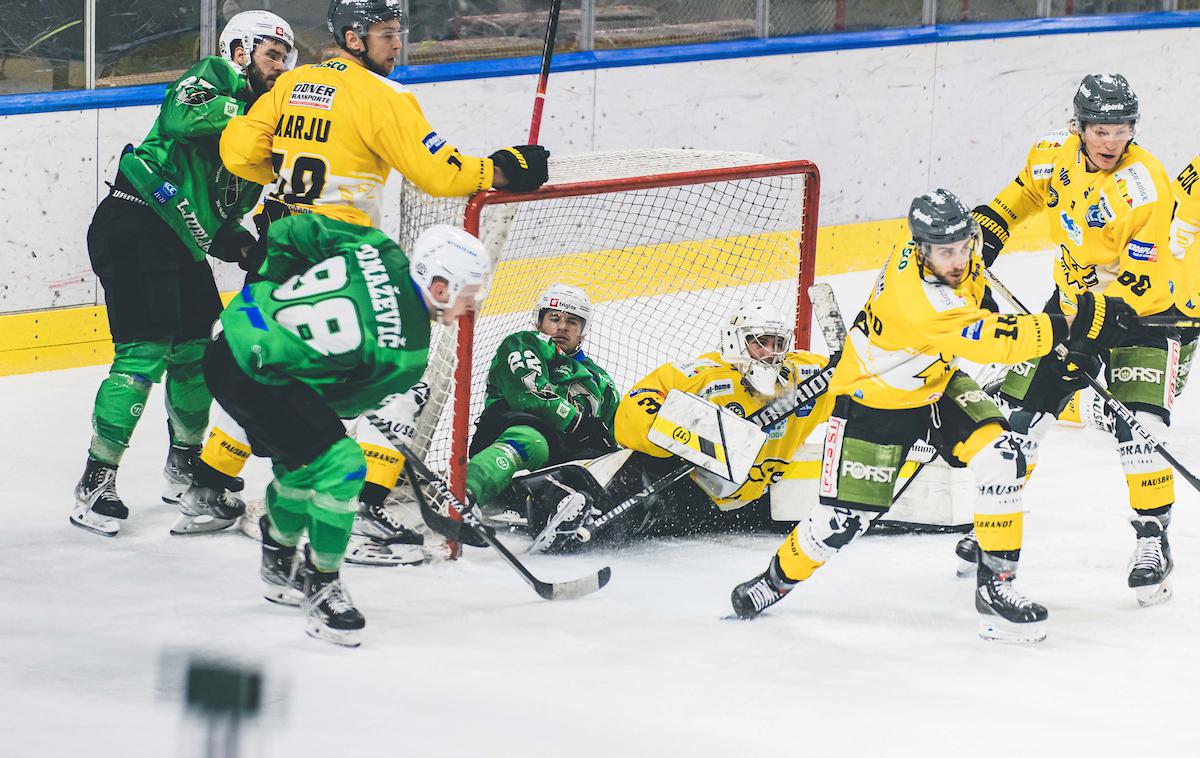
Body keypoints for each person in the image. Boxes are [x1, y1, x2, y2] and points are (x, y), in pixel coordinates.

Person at [182, 0, 550, 536]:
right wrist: (499, 168)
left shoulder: (294, 81)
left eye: (397, 33)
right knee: (392, 378)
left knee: (266, 360)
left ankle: (208, 487)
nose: (395, 44)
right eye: (384, 34)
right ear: (353, 39)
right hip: (343, 251)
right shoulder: (383, 97)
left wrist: (283, 164)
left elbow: (238, 151)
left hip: (281, 239)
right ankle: (364, 502)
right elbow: (439, 174)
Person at [728, 189, 1132, 643]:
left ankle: (996, 590)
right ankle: (773, 581)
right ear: (921, 250)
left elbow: (982, 298)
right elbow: (999, 341)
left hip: (936, 383)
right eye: (946, 252)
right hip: (874, 401)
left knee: (1003, 457)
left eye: (964, 247)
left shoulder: (948, 250)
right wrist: (1077, 325)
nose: (958, 260)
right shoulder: (923, 300)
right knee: (841, 523)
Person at [207, 215, 490, 646]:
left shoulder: (378, 246)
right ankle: (322, 584)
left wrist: (269, 285)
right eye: (468, 295)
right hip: (259, 377)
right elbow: (342, 403)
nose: (470, 306)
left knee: (302, 464)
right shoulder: (408, 355)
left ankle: (279, 558)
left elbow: (288, 232)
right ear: (439, 286)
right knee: (342, 464)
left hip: (231, 334)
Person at [71, 10, 296, 537]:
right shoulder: (214, 77)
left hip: (179, 243)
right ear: (239, 51)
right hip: (135, 222)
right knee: (144, 353)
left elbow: (216, 213)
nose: (279, 68)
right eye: (271, 55)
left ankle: (183, 466)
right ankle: (94, 483)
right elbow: (182, 118)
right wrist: (258, 115)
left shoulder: (257, 132)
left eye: (285, 59)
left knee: (196, 353)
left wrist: (243, 242)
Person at [965, 73, 1180, 607]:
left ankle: (1153, 540)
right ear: (1078, 127)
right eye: (1101, 129)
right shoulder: (1050, 157)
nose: (1112, 140)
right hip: (1066, 312)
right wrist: (981, 244)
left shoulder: (1144, 183)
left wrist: (1087, 335)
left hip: (1143, 318)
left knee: (1141, 429)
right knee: (1019, 418)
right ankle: (997, 519)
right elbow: (1009, 206)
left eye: (1122, 128)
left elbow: (1137, 278)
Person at [518, 298, 833, 554]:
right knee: (637, 476)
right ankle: (558, 503)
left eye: (777, 343)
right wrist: (685, 436)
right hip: (691, 493)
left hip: (753, 501)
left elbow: (858, 383)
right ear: (736, 342)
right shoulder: (706, 375)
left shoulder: (804, 376)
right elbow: (635, 405)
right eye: (759, 343)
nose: (769, 353)